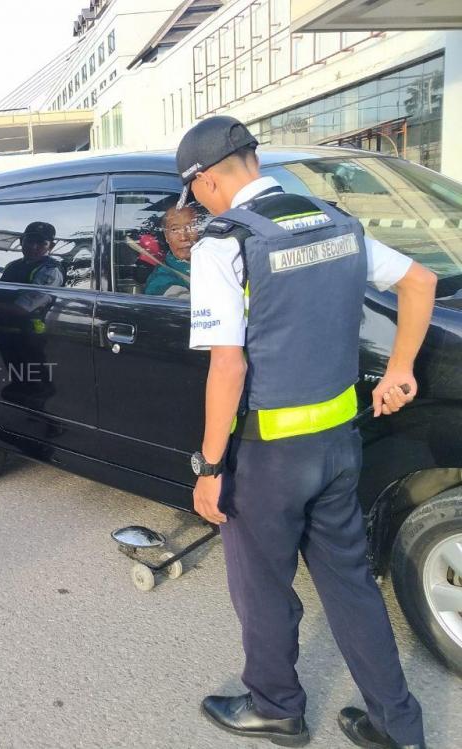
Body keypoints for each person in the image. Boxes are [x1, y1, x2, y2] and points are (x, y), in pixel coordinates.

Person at [180, 116, 436, 749]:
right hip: (338, 445)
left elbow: (228, 365)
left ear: (208, 180)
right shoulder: (337, 222)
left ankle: (276, 707)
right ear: (253, 160)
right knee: (351, 586)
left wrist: (211, 469)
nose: (199, 204)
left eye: (196, 193)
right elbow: (420, 282)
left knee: (261, 588)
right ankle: (397, 724)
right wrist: (399, 368)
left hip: (269, 458)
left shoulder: (224, 244)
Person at [144, 205, 197, 297]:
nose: (183, 237)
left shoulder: (210, 262)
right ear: (166, 236)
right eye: (174, 229)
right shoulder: (161, 280)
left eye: (190, 227)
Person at [0, 222, 64, 286]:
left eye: (41, 243)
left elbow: (37, 295)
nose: (33, 247)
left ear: (51, 246)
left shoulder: (51, 270)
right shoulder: (11, 265)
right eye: (29, 241)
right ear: (21, 241)